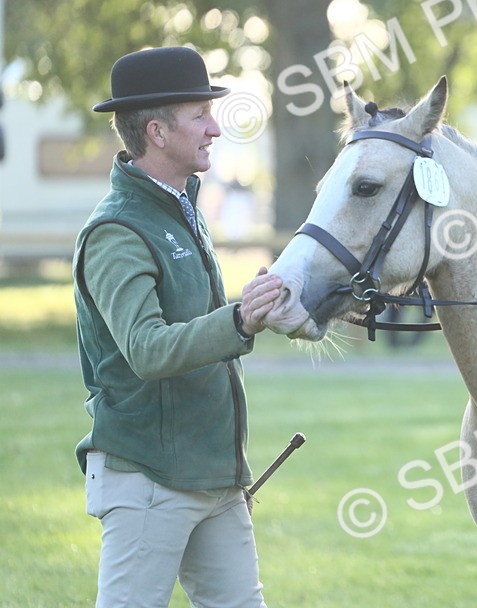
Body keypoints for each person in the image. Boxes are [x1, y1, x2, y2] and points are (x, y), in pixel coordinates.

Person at [73, 46, 281, 607]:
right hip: (149, 480)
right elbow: (147, 349)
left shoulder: (181, 206)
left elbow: (202, 327)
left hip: (215, 476)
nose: (215, 128)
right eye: (200, 115)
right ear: (158, 132)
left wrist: (262, 311)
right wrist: (238, 319)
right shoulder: (117, 230)